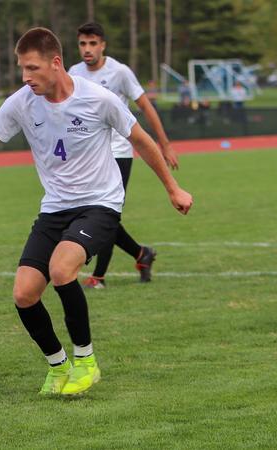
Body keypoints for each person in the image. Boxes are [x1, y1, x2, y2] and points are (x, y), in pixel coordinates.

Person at [0, 27, 193, 396]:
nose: (26, 77)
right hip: (54, 209)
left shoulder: (99, 99)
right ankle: (58, 366)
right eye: (21, 69)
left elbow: (141, 139)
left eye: (32, 68)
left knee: (61, 269)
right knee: (24, 294)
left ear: (55, 63)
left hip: (99, 204)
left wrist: (173, 188)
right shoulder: (23, 101)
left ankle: (86, 362)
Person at [68, 22, 179, 289]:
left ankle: (100, 277)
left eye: (93, 43)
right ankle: (142, 254)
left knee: (105, 213)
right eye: (83, 43)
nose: (87, 49)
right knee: (91, 212)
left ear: (103, 45)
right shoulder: (73, 73)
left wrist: (164, 144)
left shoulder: (120, 72)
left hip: (118, 152)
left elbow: (146, 107)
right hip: (88, 156)